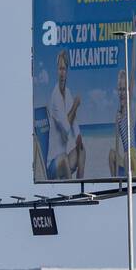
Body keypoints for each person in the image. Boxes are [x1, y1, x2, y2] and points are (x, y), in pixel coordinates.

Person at [109, 16, 136, 178]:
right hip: (125, 157)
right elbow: (116, 142)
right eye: (120, 89)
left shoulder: (128, 105)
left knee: (128, 156)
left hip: (133, 157)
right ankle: (117, 181)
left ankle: (126, 178)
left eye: (124, 89)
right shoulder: (118, 115)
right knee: (111, 154)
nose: (122, 92)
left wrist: (134, 38)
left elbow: (133, 66)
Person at [47, 50, 84, 179]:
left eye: (64, 69)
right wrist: (75, 105)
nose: (62, 73)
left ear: (67, 71)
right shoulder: (55, 97)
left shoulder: (67, 92)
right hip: (53, 165)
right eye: (60, 69)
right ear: (57, 71)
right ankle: (71, 189)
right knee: (63, 158)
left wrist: (78, 135)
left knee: (82, 150)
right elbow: (66, 128)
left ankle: (81, 183)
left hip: (65, 162)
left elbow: (74, 123)